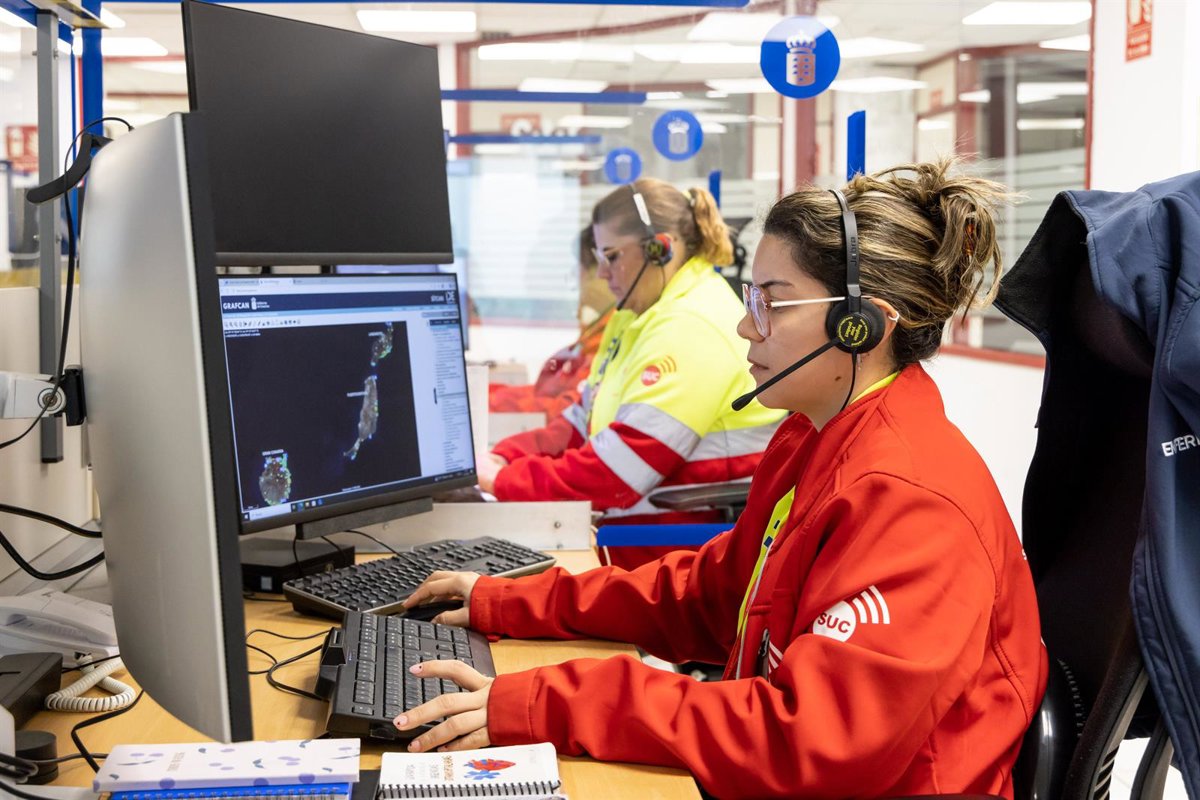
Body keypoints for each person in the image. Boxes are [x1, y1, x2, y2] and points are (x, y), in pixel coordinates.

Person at [396, 160, 1048, 799]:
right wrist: (511, 601)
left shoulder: (912, 501)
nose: (744, 325)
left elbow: (807, 741)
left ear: (862, 326)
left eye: (773, 304)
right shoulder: (813, 437)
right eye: (751, 297)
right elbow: (711, 597)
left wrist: (553, 702)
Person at [477, 178, 786, 569]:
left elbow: (617, 472)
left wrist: (503, 481)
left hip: (676, 552)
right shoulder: (635, 316)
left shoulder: (690, 325)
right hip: (630, 535)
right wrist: (502, 456)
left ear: (660, 249)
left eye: (612, 256)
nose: (602, 273)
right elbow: (581, 419)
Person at [487, 226, 615, 420]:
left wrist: (489, 402)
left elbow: (564, 408)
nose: (577, 281)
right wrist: (486, 396)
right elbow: (544, 393)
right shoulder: (597, 330)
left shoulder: (607, 338)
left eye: (581, 269)